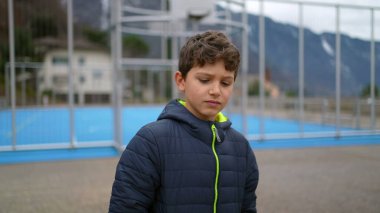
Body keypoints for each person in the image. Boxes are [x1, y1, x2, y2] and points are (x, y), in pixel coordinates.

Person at [109, 30, 259, 213]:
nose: (216, 91)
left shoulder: (241, 147)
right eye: (205, 80)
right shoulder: (150, 142)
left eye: (225, 83)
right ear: (181, 81)